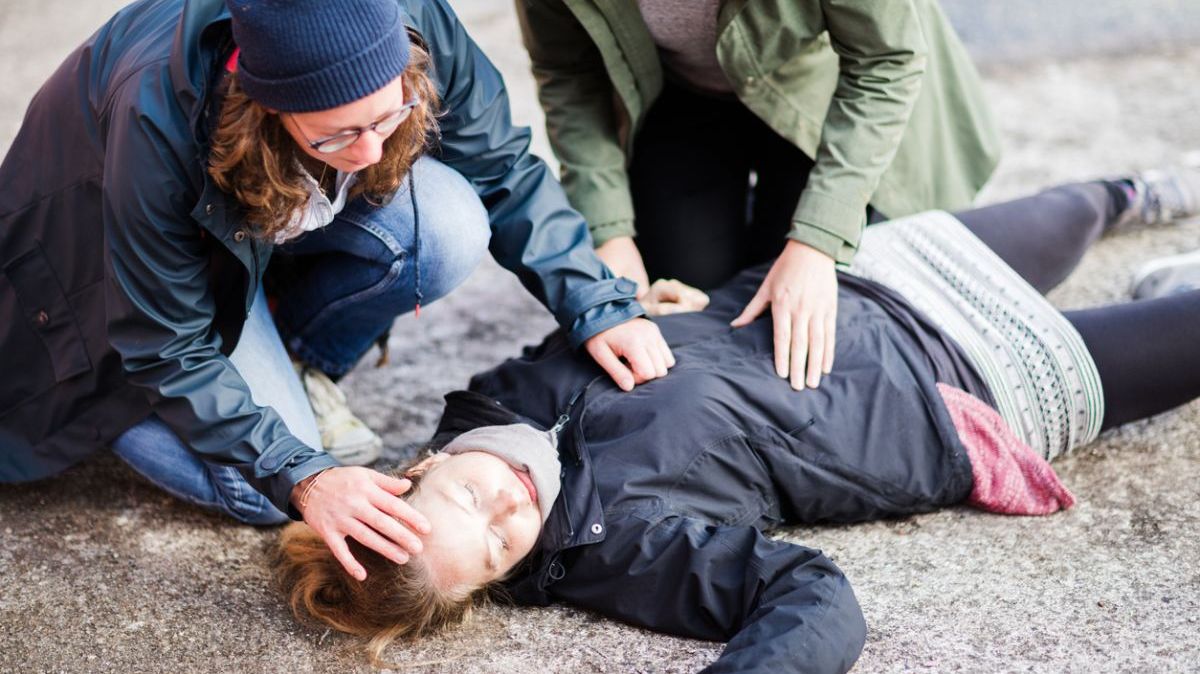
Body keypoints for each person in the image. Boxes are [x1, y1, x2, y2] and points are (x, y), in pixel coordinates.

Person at [275, 168, 1200, 672]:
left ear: (423, 465)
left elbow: (618, 331)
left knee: (1076, 205)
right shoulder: (618, 549)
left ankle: (1140, 202)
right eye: (496, 550)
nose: (506, 511)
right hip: (954, 391)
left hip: (845, 290)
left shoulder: (488, 401)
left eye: (469, 499)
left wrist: (663, 307)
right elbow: (812, 598)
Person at [0, 0, 673, 581]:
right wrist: (306, 476)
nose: (373, 154)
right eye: (339, 134)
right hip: (115, 298)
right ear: (261, 100)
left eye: (387, 117)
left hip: (240, 246)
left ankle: (288, 351)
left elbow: (501, 166)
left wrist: (599, 304)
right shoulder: (155, 112)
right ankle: (134, 407)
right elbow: (165, 343)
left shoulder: (408, 16)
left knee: (446, 223)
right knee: (268, 493)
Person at [515, 0, 1002, 392]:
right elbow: (569, 75)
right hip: (677, 97)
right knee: (684, 316)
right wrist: (610, 233)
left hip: (821, 90)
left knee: (799, 329)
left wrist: (817, 240)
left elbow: (884, 60)